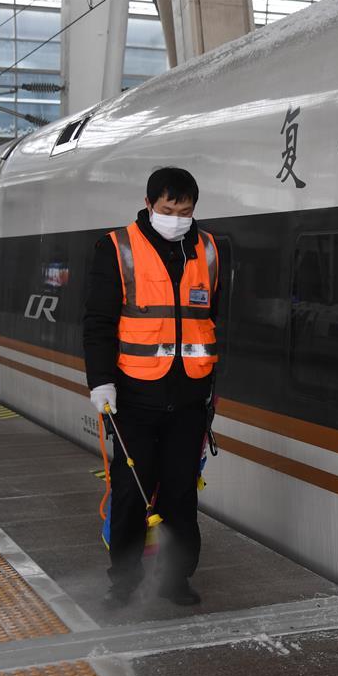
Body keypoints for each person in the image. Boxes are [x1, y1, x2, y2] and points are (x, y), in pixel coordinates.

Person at [83, 167, 219, 607]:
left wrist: (213, 386)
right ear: (148, 204)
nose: (177, 218)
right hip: (134, 397)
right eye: (168, 209)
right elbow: (99, 323)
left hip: (189, 398)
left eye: (185, 211)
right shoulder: (116, 248)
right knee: (130, 492)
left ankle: (176, 579)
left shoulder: (209, 250)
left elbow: (216, 321)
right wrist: (101, 381)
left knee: (181, 493)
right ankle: (123, 583)